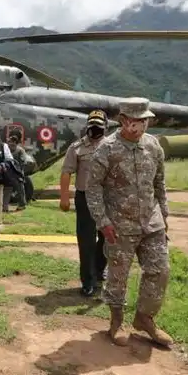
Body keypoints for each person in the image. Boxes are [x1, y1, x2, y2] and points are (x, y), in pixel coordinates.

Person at [85, 98, 173, 349]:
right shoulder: (107, 149)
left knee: (160, 270)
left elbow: (160, 184)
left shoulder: (154, 146)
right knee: (118, 276)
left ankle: (145, 319)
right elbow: (93, 188)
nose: (140, 126)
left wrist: (164, 216)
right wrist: (102, 221)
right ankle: (116, 321)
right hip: (119, 225)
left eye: (144, 121)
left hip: (152, 223)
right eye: (135, 121)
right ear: (123, 121)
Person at [59, 110, 109, 297]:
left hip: (107, 199)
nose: (95, 129)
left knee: (107, 238)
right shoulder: (76, 147)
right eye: (92, 124)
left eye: (99, 125)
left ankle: (98, 269)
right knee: (86, 241)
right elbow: (66, 172)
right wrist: (64, 197)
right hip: (85, 198)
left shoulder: (112, 146)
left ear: (105, 126)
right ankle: (88, 281)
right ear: (87, 125)